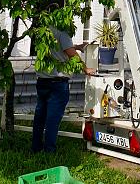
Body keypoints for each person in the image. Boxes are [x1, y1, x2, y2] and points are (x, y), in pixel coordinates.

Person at [32, 25, 95, 153]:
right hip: (57, 83)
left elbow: (57, 50)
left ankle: (36, 147)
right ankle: (49, 151)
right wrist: (86, 69)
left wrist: (76, 46)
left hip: (42, 81)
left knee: (40, 116)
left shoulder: (43, 31)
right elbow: (72, 55)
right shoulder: (62, 33)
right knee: (53, 118)